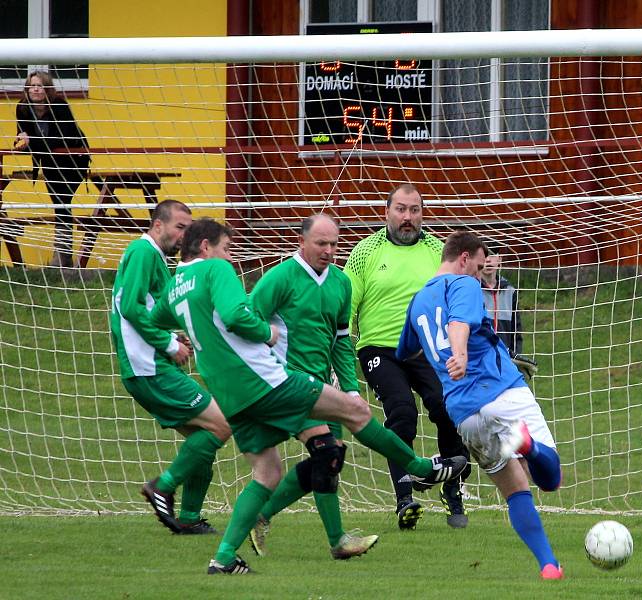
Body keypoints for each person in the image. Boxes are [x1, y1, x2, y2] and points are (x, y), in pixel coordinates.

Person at [149, 218, 467, 575]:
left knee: (270, 472)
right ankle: (423, 469)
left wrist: (181, 338)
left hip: (232, 394)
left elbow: (153, 317)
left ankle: (223, 558)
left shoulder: (178, 285)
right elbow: (238, 314)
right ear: (207, 247)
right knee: (355, 413)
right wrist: (266, 334)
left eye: (334, 243)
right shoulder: (229, 272)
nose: (230, 257)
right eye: (226, 249)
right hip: (272, 380)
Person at [397, 231, 564, 580]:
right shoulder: (464, 285)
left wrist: (441, 356)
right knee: (550, 479)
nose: (480, 273)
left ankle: (549, 565)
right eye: (478, 265)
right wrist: (459, 353)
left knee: (514, 490)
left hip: (464, 415)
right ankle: (528, 446)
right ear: (463, 258)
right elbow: (460, 321)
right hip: (501, 391)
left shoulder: (418, 301)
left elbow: (406, 351)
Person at [248, 214, 378, 560]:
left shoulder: (340, 282)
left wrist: (350, 390)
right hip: (287, 386)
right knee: (326, 454)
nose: (329, 250)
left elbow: (340, 341)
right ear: (301, 241)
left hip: (323, 388)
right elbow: (245, 322)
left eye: (334, 244)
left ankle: (259, 515)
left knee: (329, 459)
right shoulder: (278, 278)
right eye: (321, 243)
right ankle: (338, 541)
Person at [344, 183, 471, 530]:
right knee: (401, 412)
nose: (407, 217)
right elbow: (345, 305)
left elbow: (459, 298)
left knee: (447, 408)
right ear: (387, 211)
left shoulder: (438, 250)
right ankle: (405, 500)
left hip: (428, 347)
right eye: (401, 209)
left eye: (414, 210)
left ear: (422, 213)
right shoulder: (364, 252)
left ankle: (453, 490)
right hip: (379, 348)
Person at [110, 199, 231, 535]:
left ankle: (189, 517)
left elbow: (147, 310)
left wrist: (172, 335)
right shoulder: (143, 251)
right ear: (158, 224)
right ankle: (161, 486)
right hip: (147, 367)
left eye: (187, 228)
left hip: (152, 365)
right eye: (179, 226)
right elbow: (129, 308)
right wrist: (167, 344)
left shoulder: (156, 260)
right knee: (221, 425)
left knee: (204, 438)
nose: (184, 234)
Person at [15, 70, 90, 268]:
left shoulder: (60, 106)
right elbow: (23, 136)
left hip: (74, 160)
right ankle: (63, 255)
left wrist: (33, 141)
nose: (35, 89)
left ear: (47, 88)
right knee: (60, 202)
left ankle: (62, 255)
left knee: (62, 200)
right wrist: (22, 139)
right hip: (49, 161)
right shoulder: (22, 108)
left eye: (39, 85)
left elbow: (61, 139)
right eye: (32, 85)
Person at [481, 253, 537, 379]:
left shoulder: (510, 290)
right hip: (481, 359)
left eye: (492, 255)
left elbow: (516, 330)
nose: (488, 260)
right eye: (485, 256)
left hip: (505, 360)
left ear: (499, 259)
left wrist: (515, 355)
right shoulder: (471, 289)